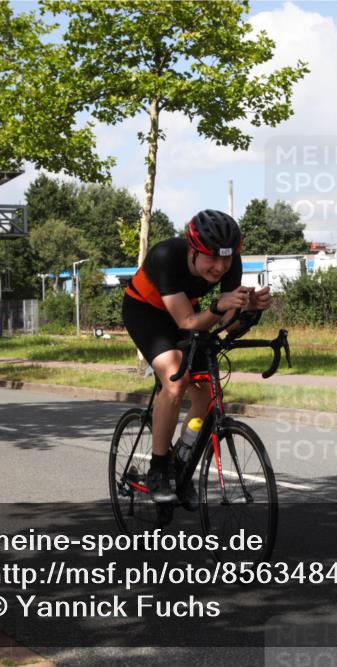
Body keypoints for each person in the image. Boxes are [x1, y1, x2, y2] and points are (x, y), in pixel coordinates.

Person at [122, 209, 273, 508]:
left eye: (226, 259)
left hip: (188, 313)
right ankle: (158, 469)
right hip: (146, 312)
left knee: (205, 398)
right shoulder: (166, 255)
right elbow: (188, 322)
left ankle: (181, 464)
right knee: (176, 381)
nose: (220, 267)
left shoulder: (231, 263)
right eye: (211, 258)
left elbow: (225, 323)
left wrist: (249, 310)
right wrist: (218, 307)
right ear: (192, 250)